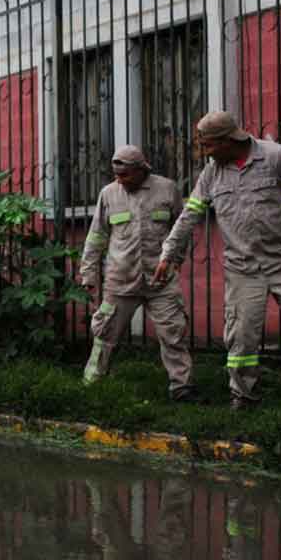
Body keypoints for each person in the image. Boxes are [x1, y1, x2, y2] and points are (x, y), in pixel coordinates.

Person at [156, 111, 281, 409]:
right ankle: (243, 396)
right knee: (242, 336)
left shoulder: (276, 157)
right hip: (243, 267)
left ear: (228, 140)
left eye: (207, 145)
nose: (204, 152)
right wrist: (169, 254)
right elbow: (189, 215)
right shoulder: (211, 174)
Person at [79, 145, 197, 401]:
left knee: (173, 334)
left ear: (142, 169)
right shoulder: (109, 194)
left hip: (160, 281)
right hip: (120, 279)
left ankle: (182, 388)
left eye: (126, 175)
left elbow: (182, 229)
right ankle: (91, 384)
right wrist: (88, 274)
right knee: (105, 333)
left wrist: (176, 260)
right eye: (117, 175)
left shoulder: (167, 189)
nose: (120, 180)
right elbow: (96, 237)